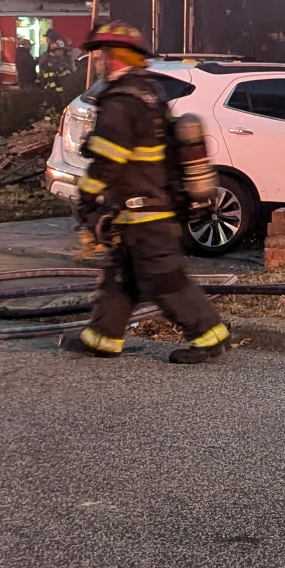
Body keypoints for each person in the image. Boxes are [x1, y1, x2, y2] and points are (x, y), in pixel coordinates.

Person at [61, 20, 232, 364]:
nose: (99, 61)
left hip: (143, 211)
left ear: (113, 58)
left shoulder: (121, 103)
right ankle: (103, 338)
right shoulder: (150, 93)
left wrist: (86, 197)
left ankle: (210, 336)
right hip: (144, 206)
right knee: (122, 277)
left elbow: (108, 161)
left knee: (164, 279)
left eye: (102, 55)